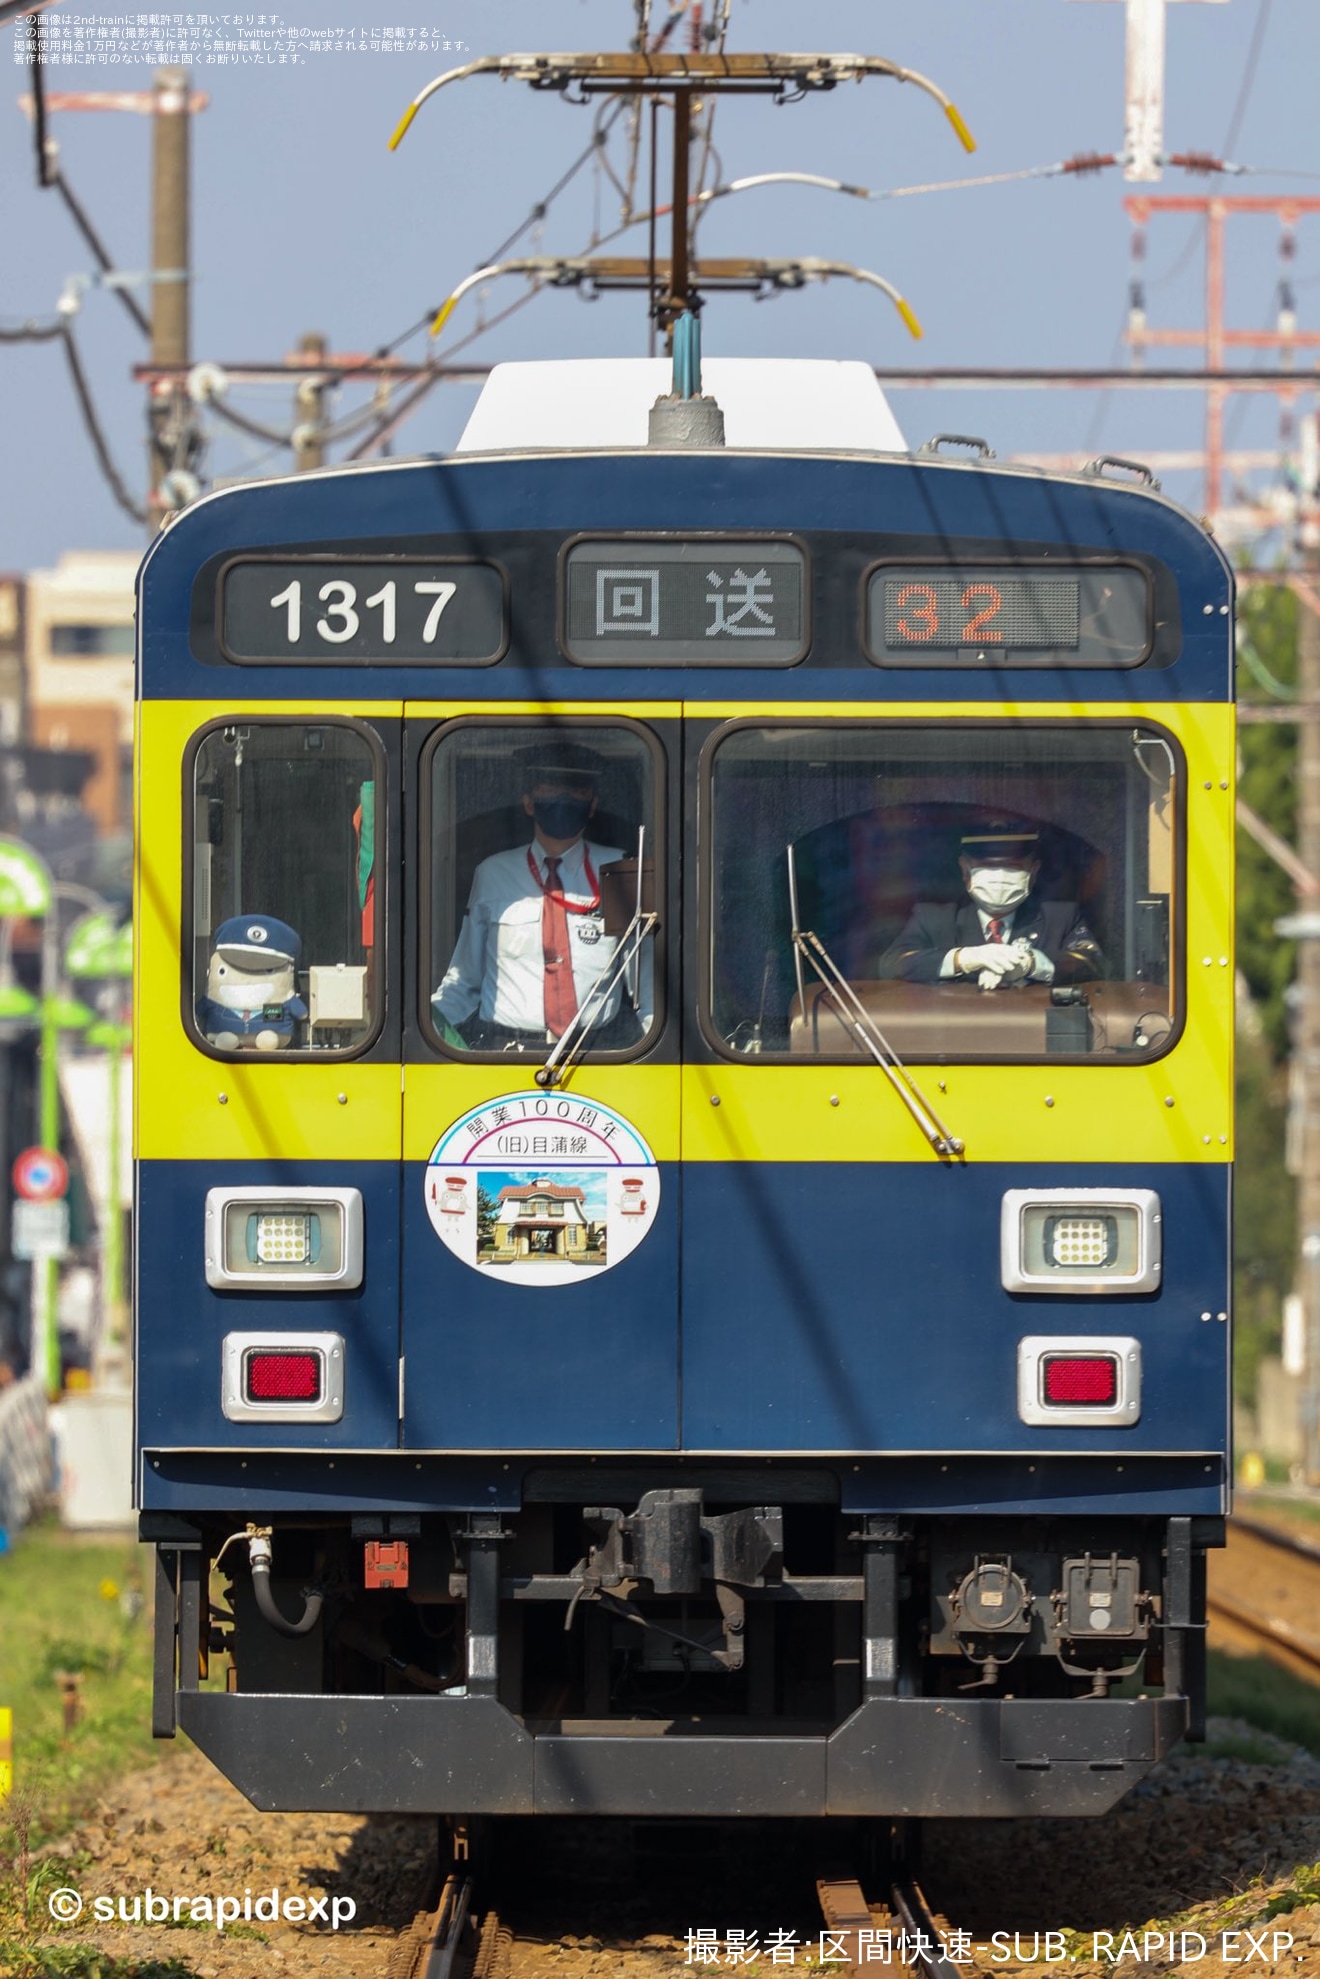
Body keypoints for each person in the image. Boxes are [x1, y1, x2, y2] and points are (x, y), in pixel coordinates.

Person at [432, 744, 645, 1048]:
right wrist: (425, 1031)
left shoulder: (621, 870)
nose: (563, 799)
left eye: (577, 791)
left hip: (599, 1056)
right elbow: (464, 983)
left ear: (593, 804)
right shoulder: (492, 873)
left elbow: (645, 987)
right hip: (506, 1054)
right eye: (550, 788)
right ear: (529, 803)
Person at [878, 826, 1104, 990]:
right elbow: (893, 963)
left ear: (1033, 872)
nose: (1000, 877)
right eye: (987, 866)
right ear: (965, 870)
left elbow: (1092, 961)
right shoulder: (934, 916)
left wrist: (1032, 963)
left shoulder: (1060, 916)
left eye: (1013, 867)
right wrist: (963, 959)